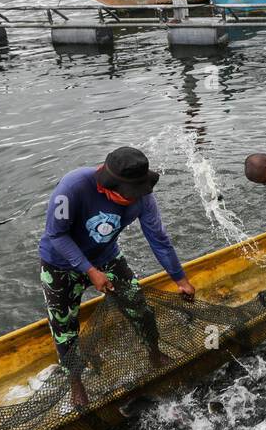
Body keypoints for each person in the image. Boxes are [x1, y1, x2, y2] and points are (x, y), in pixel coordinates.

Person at [38, 147, 195, 410]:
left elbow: (158, 238)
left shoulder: (143, 197)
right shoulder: (72, 188)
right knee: (64, 328)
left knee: (139, 307)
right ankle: (76, 382)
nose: (134, 200)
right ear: (107, 188)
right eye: (127, 196)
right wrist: (89, 270)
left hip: (106, 257)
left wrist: (180, 278)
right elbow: (56, 235)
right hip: (60, 264)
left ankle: (154, 354)